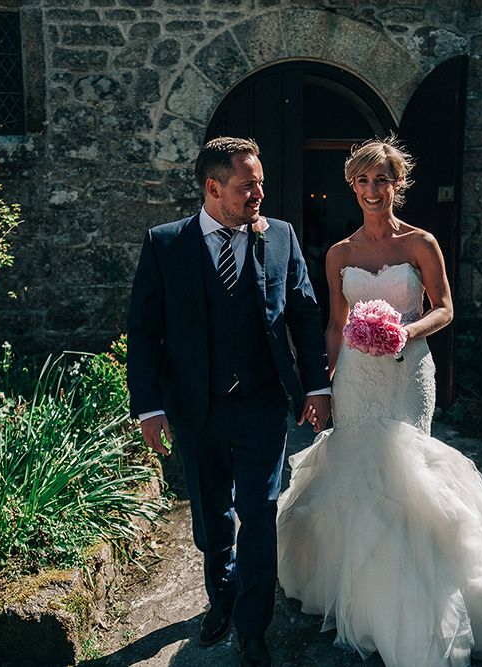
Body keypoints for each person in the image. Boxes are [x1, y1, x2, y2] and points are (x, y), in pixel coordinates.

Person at [276, 136, 482, 667]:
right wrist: (322, 384)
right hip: (357, 383)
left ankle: (422, 596)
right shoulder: (340, 254)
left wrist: (406, 333)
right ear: (352, 187)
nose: (371, 190)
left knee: (408, 474)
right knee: (360, 476)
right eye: (362, 181)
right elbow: (335, 327)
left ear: (396, 184)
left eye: (380, 180)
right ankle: (365, 599)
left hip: (409, 373)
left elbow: (445, 308)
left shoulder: (420, 244)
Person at [127, 136, 331, 667]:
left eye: (260, 182)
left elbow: (305, 316)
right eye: (248, 186)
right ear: (213, 188)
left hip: (262, 404)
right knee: (211, 512)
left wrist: (316, 386)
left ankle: (252, 628)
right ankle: (220, 595)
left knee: (259, 513)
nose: (259, 193)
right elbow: (144, 331)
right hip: (196, 406)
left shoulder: (280, 237)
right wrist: (149, 407)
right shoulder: (165, 244)